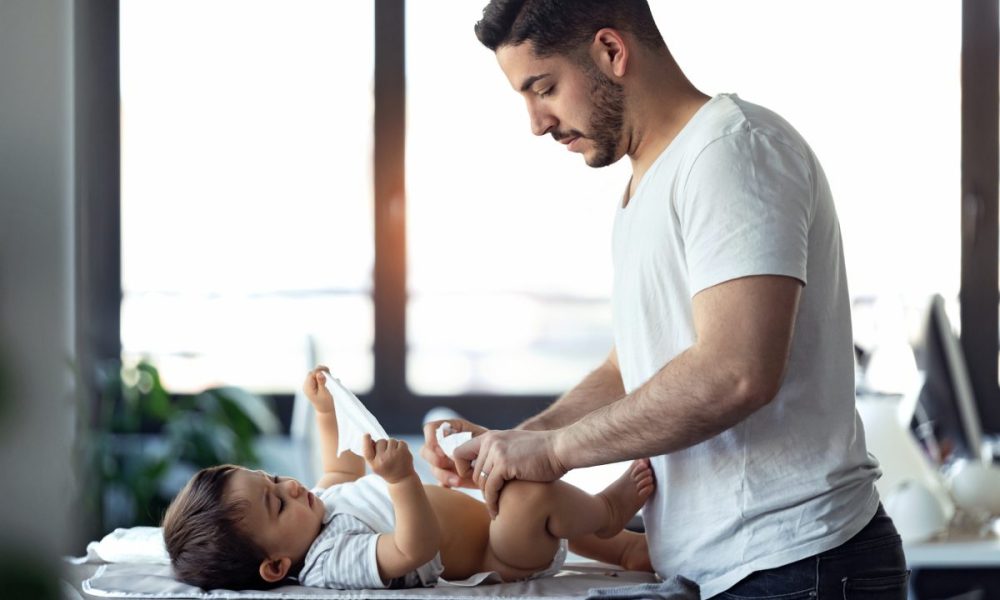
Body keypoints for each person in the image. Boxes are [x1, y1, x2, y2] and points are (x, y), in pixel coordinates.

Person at [420, 1, 908, 598]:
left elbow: (736, 372)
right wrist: (515, 443)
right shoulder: (646, 184)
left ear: (610, 50)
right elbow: (633, 369)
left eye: (543, 88)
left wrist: (556, 452)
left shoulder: (732, 151)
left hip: (798, 563)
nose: (536, 123)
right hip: (733, 568)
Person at [161, 366, 654, 591]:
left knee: (507, 481)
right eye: (277, 504)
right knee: (525, 495)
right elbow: (411, 550)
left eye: (271, 478)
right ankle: (609, 513)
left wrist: (326, 412)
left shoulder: (318, 508)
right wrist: (401, 481)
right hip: (502, 552)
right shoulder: (329, 560)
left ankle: (625, 550)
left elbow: (340, 467)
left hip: (489, 518)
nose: (290, 487)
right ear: (274, 566)